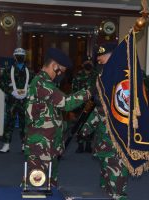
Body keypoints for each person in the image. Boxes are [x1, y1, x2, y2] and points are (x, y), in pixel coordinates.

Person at [23, 47, 91, 187]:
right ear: (54, 66)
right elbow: (66, 103)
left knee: (49, 184)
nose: (62, 75)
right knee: (37, 185)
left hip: (49, 142)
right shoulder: (42, 83)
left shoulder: (46, 83)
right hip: (40, 144)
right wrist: (89, 93)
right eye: (62, 71)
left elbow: (51, 112)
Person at [79, 43, 129, 199]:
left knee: (117, 178)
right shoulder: (105, 75)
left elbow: (123, 108)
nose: (98, 59)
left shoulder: (123, 76)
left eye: (102, 55)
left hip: (116, 136)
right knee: (107, 176)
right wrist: (88, 126)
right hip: (104, 135)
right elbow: (100, 105)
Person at [0, 48, 32, 153]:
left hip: (24, 102)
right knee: (9, 123)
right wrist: (10, 91)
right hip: (12, 101)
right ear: (14, 57)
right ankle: (6, 145)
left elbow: (34, 85)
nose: (20, 57)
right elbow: (1, 83)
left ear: (25, 57)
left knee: (24, 124)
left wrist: (28, 92)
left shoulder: (30, 71)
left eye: (22, 55)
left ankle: (24, 144)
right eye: (18, 55)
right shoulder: (8, 70)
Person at [72, 56, 96, 153]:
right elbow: (74, 91)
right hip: (80, 104)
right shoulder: (78, 75)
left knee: (91, 124)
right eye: (87, 61)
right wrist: (74, 106)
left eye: (90, 61)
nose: (88, 63)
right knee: (80, 124)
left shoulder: (96, 75)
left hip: (92, 104)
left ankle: (89, 144)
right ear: (83, 64)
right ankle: (80, 144)